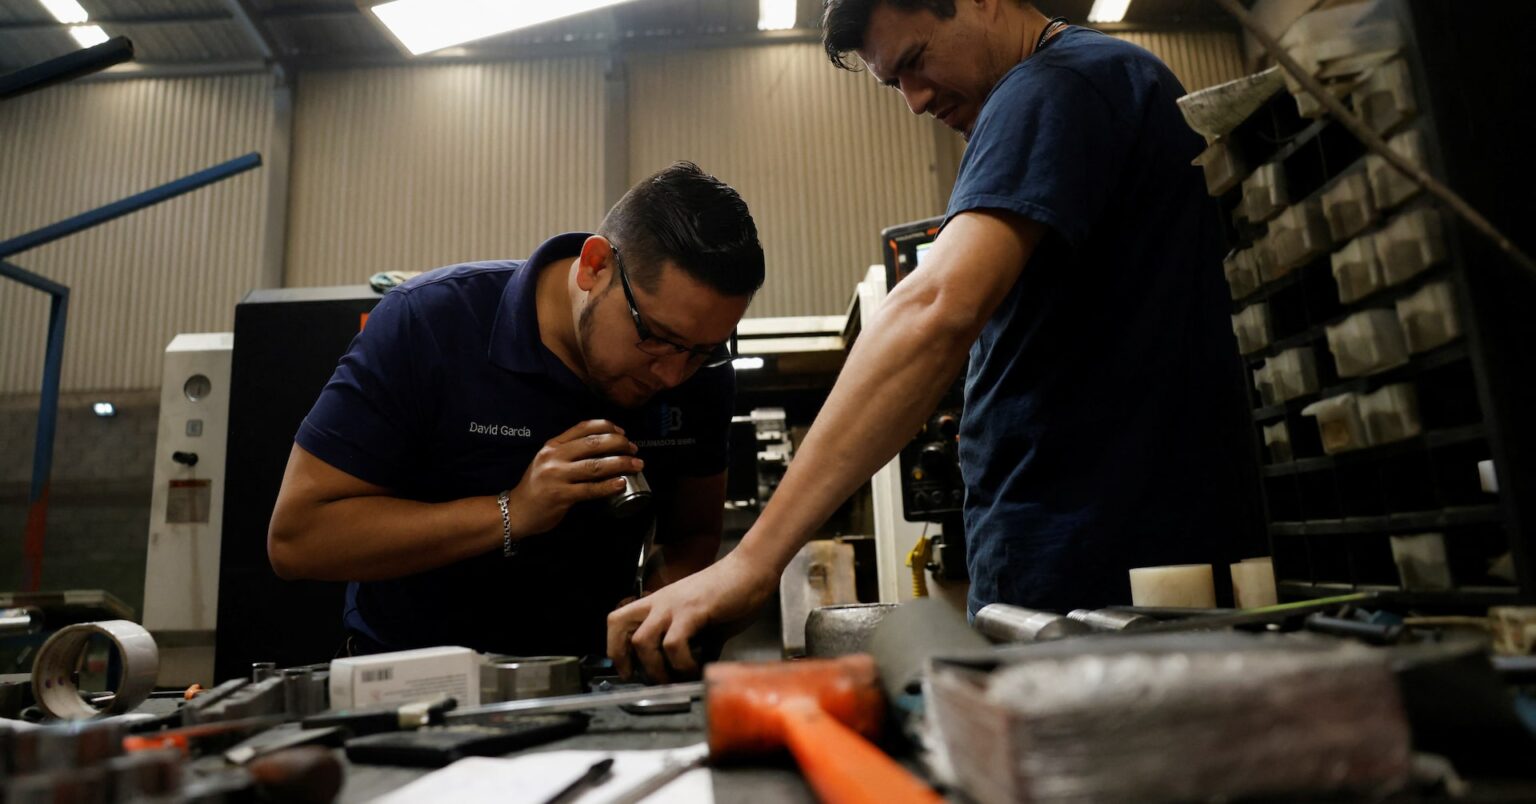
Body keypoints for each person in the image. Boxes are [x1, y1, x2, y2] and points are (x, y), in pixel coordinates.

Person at [607, 0, 1262, 681]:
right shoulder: (1103, 81)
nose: (916, 102)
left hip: (1097, 579)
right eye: (895, 84)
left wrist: (751, 562)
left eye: (916, 62)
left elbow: (934, 308)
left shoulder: (1052, 85)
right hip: (1105, 571)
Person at [267, 161, 765, 657]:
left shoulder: (700, 368)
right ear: (595, 267)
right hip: (414, 685)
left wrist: (665, 599)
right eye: (655, 338)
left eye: (702, 351)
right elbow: (298, 539)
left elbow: (694, 532)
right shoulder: (430, 324)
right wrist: (512, 511)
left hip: (592, 681)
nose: (672, 376)